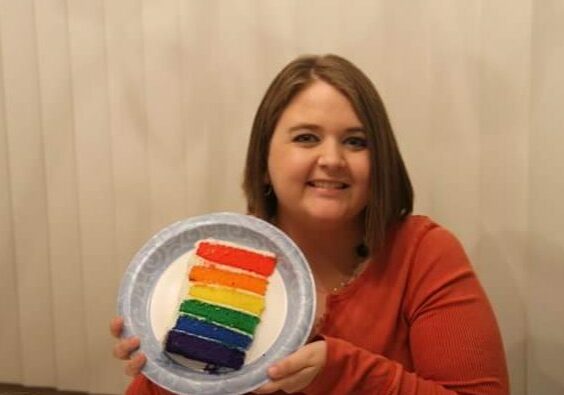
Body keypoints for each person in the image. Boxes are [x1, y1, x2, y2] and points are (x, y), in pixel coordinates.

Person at [110, 54, 509, 394]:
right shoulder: (224, 264)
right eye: (306, 138)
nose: (332, 159)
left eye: (356, 141)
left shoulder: (423, 253)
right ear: (264, 162)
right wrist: (163, 372)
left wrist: (341, 370)